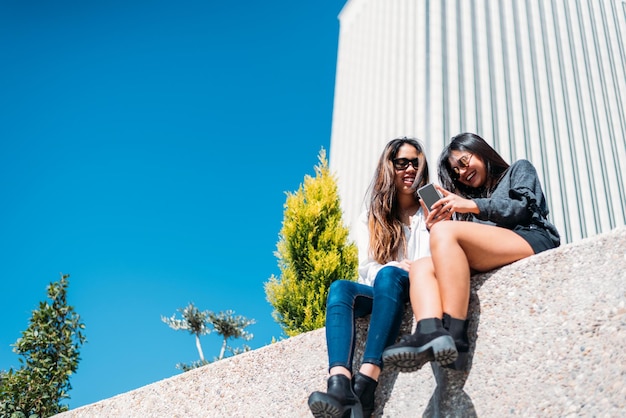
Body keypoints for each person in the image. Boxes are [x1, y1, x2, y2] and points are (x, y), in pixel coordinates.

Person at [382, 132, 560, 373]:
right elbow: (470, 243)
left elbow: (523, 208)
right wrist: (437, 226)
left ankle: (456, 338)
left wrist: (471, 207)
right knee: (423, 265)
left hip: (532, 238)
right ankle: (429, 331)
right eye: (455, 172)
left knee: (445, 233)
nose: (462, 173)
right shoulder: (469, 201)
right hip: (496, 251)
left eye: (463, 162)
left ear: (480, 150)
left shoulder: (518, 169)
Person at [308, 137, 440, 418]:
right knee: (341, 289)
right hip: (385, 291)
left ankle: (366, 380)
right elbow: (368, 268)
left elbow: (447, 251)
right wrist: (394, 266)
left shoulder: (432, 203)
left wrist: (433, 226)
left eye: (416, 163)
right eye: (402, 162)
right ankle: (340, 382)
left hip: (423, 285)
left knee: (390, 271)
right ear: (388, 167)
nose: (410, 169)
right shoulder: (371, 216)